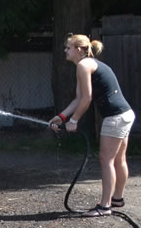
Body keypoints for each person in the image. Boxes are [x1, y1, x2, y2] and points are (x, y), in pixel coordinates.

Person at [49, 33, 135, 217]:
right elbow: (79, 98)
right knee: (119, 159)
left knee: (107, 160)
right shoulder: (86, 65)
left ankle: (105, 207)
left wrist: (74, 121)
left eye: (68, 47)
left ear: (79, 50)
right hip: (125, 114)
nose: (65, 50)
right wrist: (62, 116)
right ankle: (117, 199)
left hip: (115, 117)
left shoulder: (83, 65)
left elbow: (87, 99)